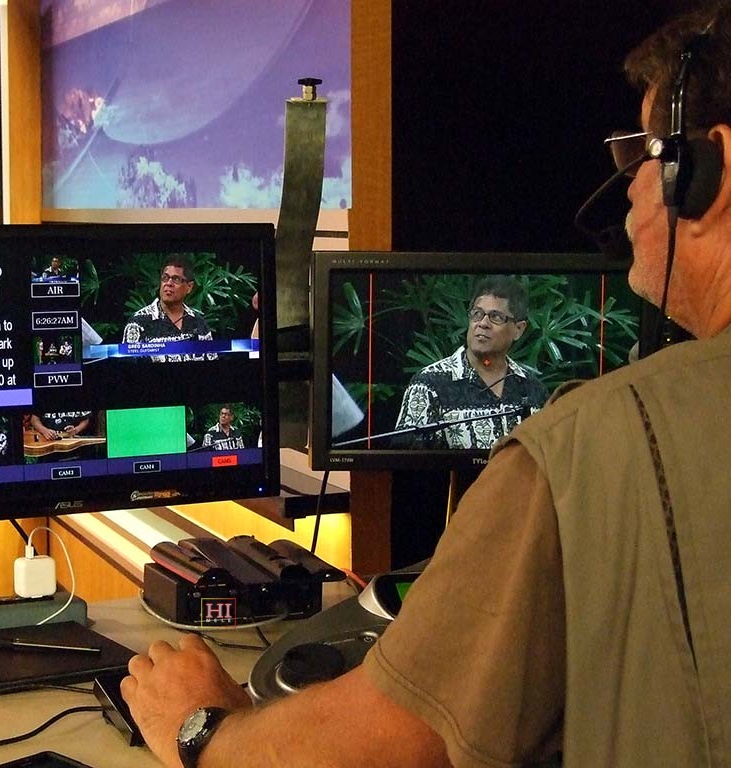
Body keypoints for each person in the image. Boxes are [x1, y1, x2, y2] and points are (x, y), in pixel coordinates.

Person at [119, 5, 731, 767]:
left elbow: (394, 741)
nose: (630, 186)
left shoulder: (584, 444)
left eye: (644, 153)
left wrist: (201, 730)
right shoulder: (465, 395)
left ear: (704, 174)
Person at [394, 275, 549, 449]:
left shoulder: (533, 389)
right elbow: (406, 460)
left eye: (496, 317)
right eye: (477, 314)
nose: (483, 323)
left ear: (518, 329)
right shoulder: (429, 384)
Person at [121, 256, 216, 362]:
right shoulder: (138, 323)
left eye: (176, 279)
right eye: (165, 278)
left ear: (189, 287)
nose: (169, 283)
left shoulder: (198, 323)